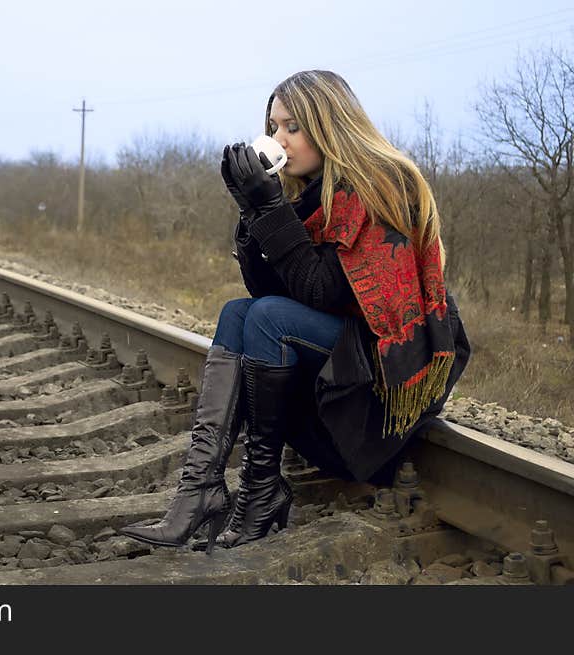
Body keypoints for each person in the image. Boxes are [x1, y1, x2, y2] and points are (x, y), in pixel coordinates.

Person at [119, 69, 471, 555]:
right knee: (240, 313)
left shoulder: (379, 187)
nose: (278, 138)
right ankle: (201, 488)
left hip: (391, 376)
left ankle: (260, 491)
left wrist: (270, 210)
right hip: (349, 352)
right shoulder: (310, 194)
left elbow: (321, 291)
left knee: (266, 319)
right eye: (273, 125)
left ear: (329, 126)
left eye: (292, 127)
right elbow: (271, 288)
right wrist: (253, 208)